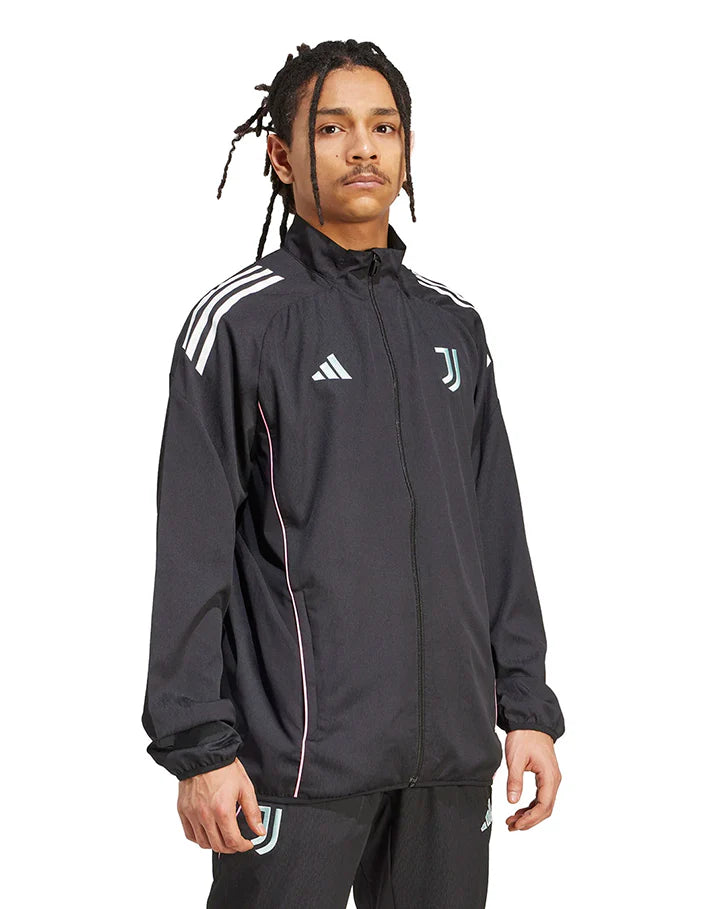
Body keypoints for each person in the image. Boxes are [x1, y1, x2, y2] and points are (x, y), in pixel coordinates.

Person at [141, 38, 565, 909]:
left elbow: (495, 531)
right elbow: (191, 550)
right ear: (282, 154)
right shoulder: (241, 324)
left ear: (407, 149)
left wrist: (526, 707)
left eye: (385, 127)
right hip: (298, 764)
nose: (363, 147)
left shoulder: (453, 325)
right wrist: (198, 747)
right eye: (332, 128)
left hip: (448, 763)